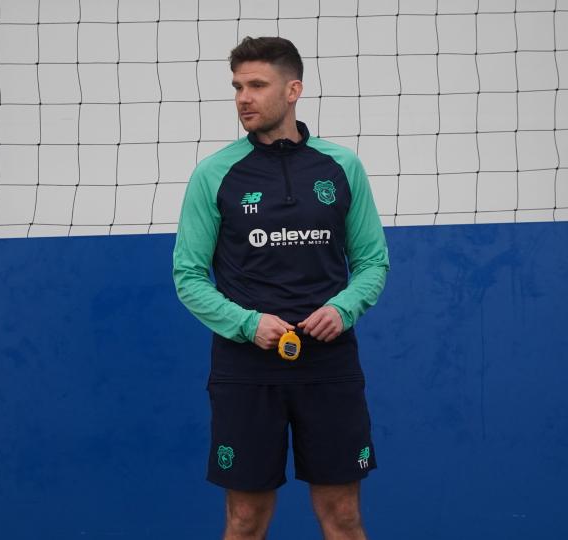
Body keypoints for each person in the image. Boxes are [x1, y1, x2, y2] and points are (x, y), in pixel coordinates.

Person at [172, 36, 389, 540]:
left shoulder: (341, 166)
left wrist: (343, 309)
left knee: (343, 516)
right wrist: (249, 324)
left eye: (256, 85)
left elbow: (373, 262)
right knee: (245, 521)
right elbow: (187, 276)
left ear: (293, 90)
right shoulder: (214, 174)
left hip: (329, 363)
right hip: (246, 367)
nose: (243, 97)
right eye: (237, 87)